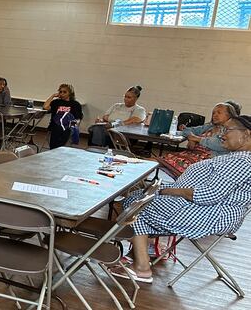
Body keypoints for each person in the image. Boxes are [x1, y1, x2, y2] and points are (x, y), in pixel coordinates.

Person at [112, 115, 251, 284]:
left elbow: (208, 195)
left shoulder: (242, 161)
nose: (222, 134)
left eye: (227, 130)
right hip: (202, 209)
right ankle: (137, 255)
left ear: (247, 134)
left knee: (138, 205)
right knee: (139, 197)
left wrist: (169, 191)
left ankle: (141, 268)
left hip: (209, 214)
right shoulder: (237, 157)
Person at [157, 101, 242, 178]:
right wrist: (190, 137)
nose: (215, 115)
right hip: (194, 154)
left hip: (209, 159)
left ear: (230, 115)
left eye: (219, 113)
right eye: (213, 113)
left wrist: (197, 139)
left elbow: (221, 144)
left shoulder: (231, 130)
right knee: (162, 160)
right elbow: (192, 130)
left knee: (177, 163)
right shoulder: (210, 126)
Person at [43, 83, 83, 149]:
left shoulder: (75, 104)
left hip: (68, 127)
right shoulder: (56, 102)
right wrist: (52, 96)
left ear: (70, 93)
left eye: (64, 92)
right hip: (55, 126)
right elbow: (45, 107)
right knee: (54, 144)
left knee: (66, 135)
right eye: (60, 92)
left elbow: (78, 119)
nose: (62, 94)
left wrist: (72, 127)